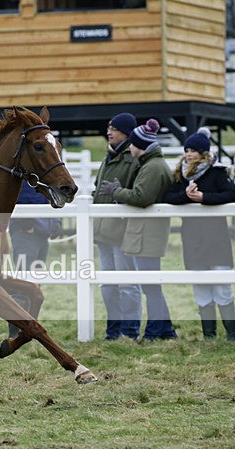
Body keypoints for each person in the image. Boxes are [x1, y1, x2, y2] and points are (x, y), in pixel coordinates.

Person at [101, 118, 177, 341]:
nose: (130, 148)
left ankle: (155, 332)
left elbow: (141, 197)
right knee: (150, 287)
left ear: (138, 145)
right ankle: (165, 331)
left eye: (133, 143)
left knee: (150, 288)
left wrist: (116, 191)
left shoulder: (152, 167)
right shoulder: (151, 164)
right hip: (143, 234)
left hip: (146, 235)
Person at [163, 127, 235, 340]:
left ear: (203, 153)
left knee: (222, 287)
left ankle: (231, 335)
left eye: (193, 150)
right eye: (187, 149)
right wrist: (187, 197)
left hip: (216, 238)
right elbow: (168, 196)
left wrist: (205, 198)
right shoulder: (180, 174)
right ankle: (209, 336)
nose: (188, 154)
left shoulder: (216, 172)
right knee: (201, 288)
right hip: (192, 239)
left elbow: (233, 194)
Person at [92, 112, 142, 341]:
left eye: (114, 128)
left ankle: (129, 331)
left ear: (126, 132)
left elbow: (132, 192)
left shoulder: (132, 158)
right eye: (108, 127)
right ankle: (113, 330)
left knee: (127, 283)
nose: (108, 131)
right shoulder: (108, 157)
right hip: (103, 232)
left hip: (123, 232)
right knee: (108, 285)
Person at [6, 180, 62, 338]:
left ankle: (29, 326)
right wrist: (26, 222)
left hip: (42, 230)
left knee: (34, 280)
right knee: (23, 279)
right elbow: (20, 195)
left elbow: (53, 195)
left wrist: (55, 222)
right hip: (28, 229)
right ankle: (16, 328)